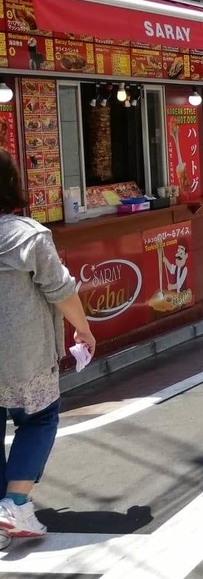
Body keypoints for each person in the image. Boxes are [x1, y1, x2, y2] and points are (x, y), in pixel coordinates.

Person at [0, 149, 96, 548]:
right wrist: (85, 331)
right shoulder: (27, 234)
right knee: (39, 418)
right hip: (24, 356)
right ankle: (16, 503)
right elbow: (61, 292)